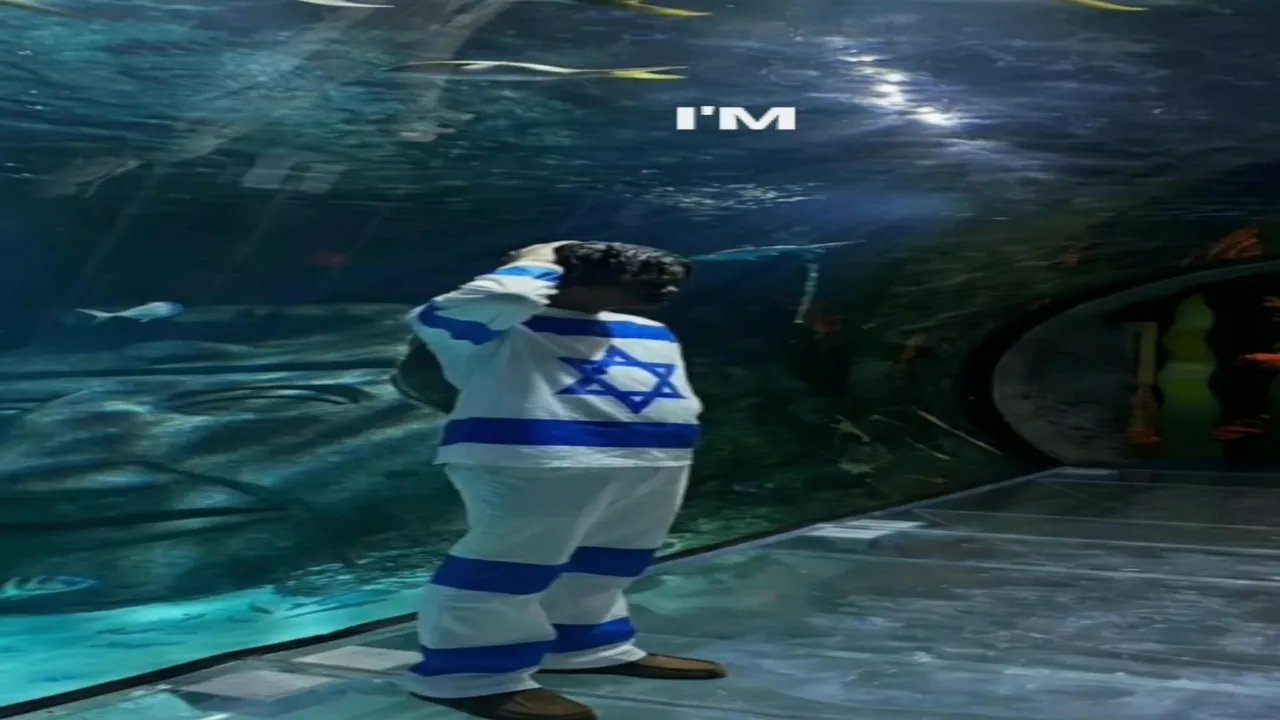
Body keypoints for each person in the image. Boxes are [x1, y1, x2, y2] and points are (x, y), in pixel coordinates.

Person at [400, 241, 725, 720]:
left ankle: (584, 645)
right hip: (535, 461)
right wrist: (539, 258)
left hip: (653, 461)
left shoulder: (648, 329)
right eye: (624, 273)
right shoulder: (490, 324)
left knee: (607, 563)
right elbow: (497, 298)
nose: (657, 287)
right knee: (505, 570)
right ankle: (469, 676)